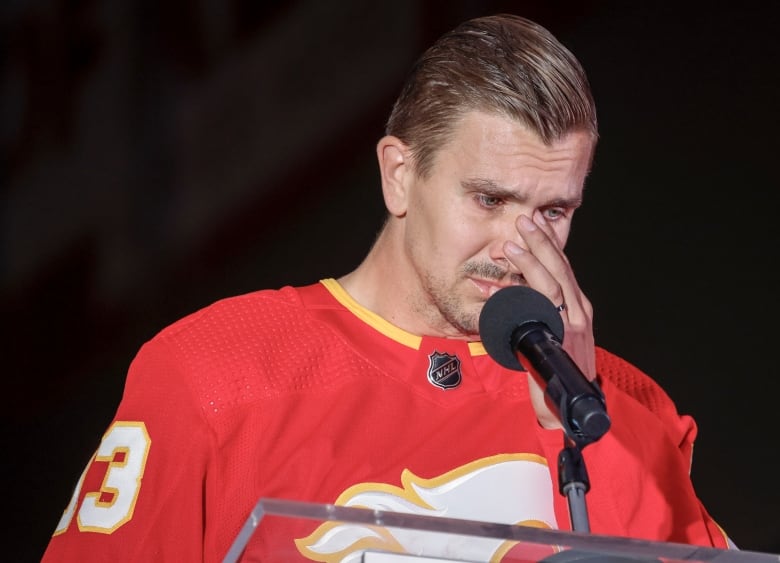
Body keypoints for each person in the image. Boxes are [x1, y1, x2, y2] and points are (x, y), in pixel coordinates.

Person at [42, 13, 732, 562]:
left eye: (554, 211)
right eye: (489, 200)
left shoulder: (626, 411)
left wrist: (582, 435)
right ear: (399, 175)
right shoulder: (214, 373)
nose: (520, 248)